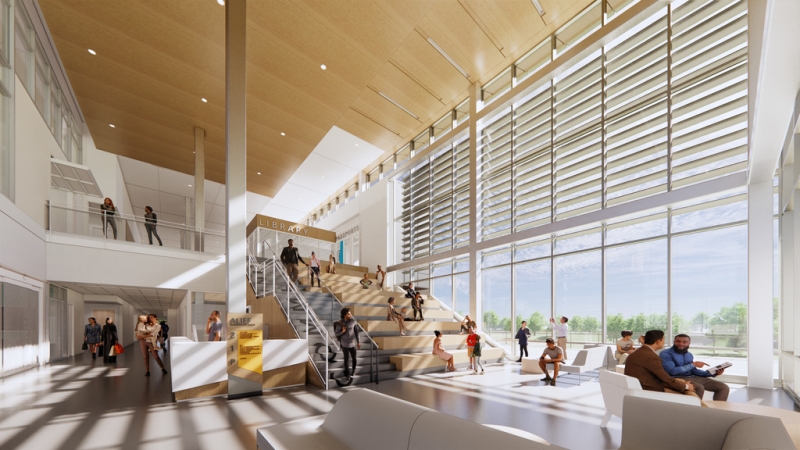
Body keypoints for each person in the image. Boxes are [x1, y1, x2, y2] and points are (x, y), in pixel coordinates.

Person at [624, 330, 698, 398]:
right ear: (658, 341)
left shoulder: (639, 352)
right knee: (690, 391)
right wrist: (686, 387)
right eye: (663, 340)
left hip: (641, 384)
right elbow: (665, 378)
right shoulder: (651, 357)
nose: (664, 342)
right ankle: (699, 409)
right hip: (649, 389)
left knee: (684, 384)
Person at [660, 334, 730, 401]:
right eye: (678, 341)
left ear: (689, 343)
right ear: (674, 342)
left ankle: (716, 412)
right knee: (699, 387)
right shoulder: (665, 353)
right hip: (676, 378)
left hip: (691, 377)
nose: (681, 344)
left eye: (684, 342)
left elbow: (693, 371)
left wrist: (712, 373)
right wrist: (693, 364)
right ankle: (696, 411)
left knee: (723, 387)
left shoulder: (689, 354)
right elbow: (672, 371)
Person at [334, 307, 360, 379]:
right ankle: (347, 374)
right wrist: (342, 332)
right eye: (349, 314)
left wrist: (358, 342)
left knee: (354, 358)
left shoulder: (353, 321)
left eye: (350, 313)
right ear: (344, 315)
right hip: (344, 344)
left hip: (352, 344)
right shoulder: (340, 323)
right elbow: (336, 334)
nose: (350, 315)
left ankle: (353, 370)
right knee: (346, 359)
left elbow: (357, 332)